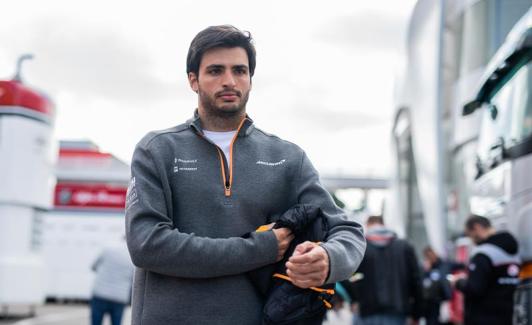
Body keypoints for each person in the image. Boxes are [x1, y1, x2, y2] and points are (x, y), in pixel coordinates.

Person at [124, 25, 366, 325]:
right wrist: (260, 248)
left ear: (250, 79)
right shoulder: (156, 150)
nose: (229, 81)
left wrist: (329, 259)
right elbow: (148, 245)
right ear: (193, 80)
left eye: (240, 71)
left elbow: (348, 231)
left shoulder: (287, 158)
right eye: (215, 71)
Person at [343, 216, 423, 325]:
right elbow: (416, 281)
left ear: (368, 225)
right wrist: (416, 314)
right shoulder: (404, 246)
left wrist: (353, 299)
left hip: (367, 311)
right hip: (398, 312)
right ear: (383, 224)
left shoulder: (361, 246)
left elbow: (350, 276)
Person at [451, 215, 521, 325]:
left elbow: (474, 289)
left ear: (477, 228)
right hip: (507, 317)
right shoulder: (513, 253)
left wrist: (458, 282)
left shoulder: (483, 254)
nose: (471, 240)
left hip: (483, 317)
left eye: (470, 235)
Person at [90, 240, 134, 325]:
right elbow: (133, 278)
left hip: (100, 293)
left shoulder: (108, 249)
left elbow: (93, 266)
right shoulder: (132, 256)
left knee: (95, 322)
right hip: (119, 296)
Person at [421, 246, 463, 325]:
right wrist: (426, 271)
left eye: (431, 254)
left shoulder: (445, 264)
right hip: (432, 303)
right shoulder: (426, 270)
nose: (431, 257)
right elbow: (423, 284)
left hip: (446, 300)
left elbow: (461, 265)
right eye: (428, 256)